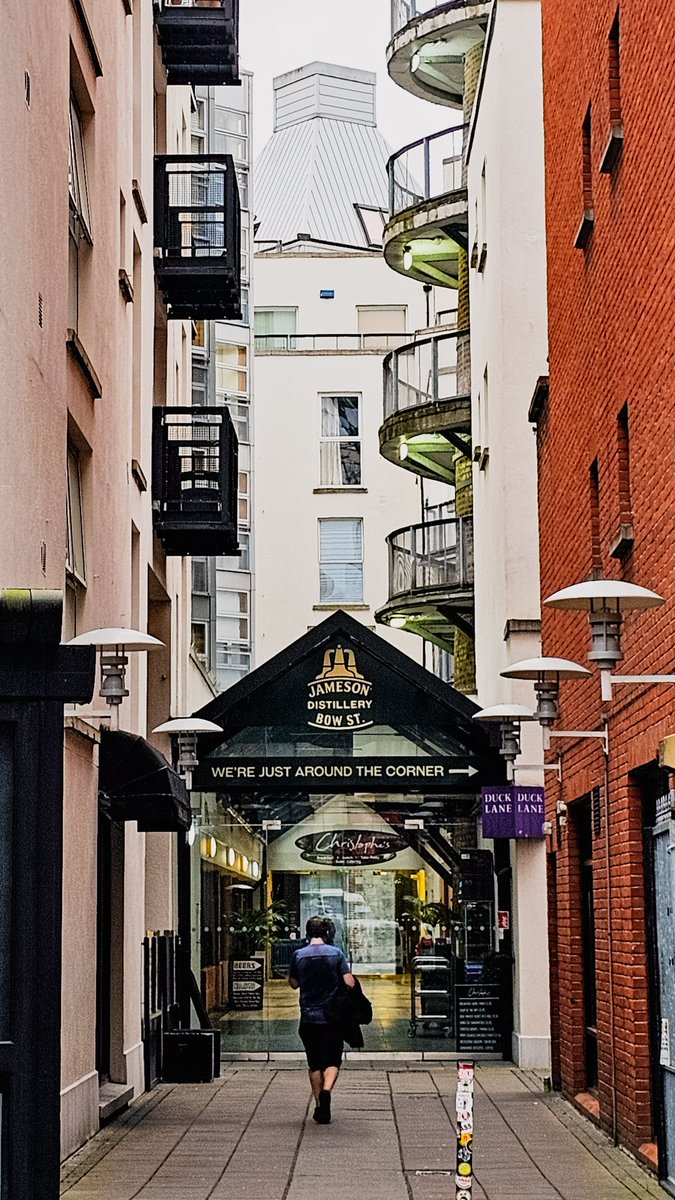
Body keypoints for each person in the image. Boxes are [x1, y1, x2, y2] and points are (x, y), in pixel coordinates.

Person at [289, 915, 355, 1125]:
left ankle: (319, 1105)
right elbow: (349, 982)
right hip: (332, 1018)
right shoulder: (336, 954)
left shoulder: (298, 955)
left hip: (308, 1018)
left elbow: (293, 983)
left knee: (314, 1063)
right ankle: (327, 1091)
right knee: (333, 1060)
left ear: (307, 933)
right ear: (327, 933)